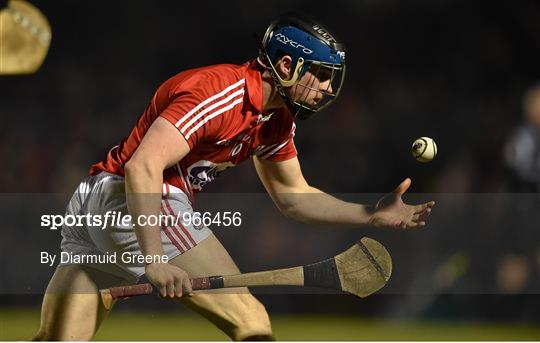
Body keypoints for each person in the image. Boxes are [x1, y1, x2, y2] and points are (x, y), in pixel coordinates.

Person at [33, 13, 434, 341]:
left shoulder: (276, 120)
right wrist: (155, 260)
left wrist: (370, 213)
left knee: (58, 341)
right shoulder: (219, 92)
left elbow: (293, 196)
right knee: (251, 321)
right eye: (321, 75)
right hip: (136, 198)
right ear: (286, 65)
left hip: (95, 200)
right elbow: (143, 166)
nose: (327, 89)